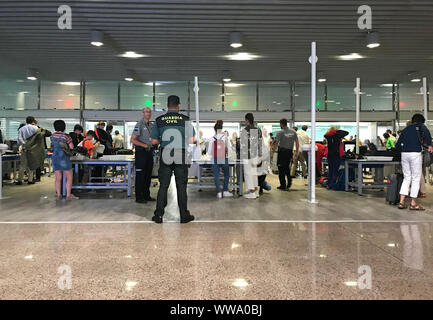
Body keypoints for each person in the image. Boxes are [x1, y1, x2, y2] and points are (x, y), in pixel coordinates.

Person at [150, 95, 196, 223]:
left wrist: (162, 139)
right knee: (181, 186)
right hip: (180, 154)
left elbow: (153, 141)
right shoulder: (185, 120)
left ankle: (158, 215)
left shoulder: (159, 120)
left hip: (166, 153)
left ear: (167, 105)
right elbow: (192, 140)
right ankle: (184, 215)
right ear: (178, 106)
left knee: (163, 185)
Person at [396, 113, 433, 210]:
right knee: (416, 178)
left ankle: (401, 202)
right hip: (415, 154)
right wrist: (430, 146)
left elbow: (398, 145)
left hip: (404, 154)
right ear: (422, 121)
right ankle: (413, 203)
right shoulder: (421, 126)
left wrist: (404, 150)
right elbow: (428, 136)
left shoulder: (406, 129)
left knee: (406, 177)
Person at [131, 107, 155, 204]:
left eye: (149, 112)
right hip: (141, 152)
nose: (148, 114)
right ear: (143, 113)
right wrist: (145, 145)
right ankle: (139, 197)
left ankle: (146, 195)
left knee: (148, 175)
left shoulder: (151, 125)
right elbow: (133, 140)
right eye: (146, 112)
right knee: (140, 175)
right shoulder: (139, 125)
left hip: (149, 152)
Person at [51, 120, 78, 200]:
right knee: (69, 177)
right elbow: (71, 147)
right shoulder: (66, 136)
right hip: (64, 158)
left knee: (58, 178)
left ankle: (59, 195)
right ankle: (68, 195)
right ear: (64, 127)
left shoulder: (52, 136)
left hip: (55, 158)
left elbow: (52, 147)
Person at [207, 120, 233, 199]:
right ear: (221, 129)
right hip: (223, 158)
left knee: (216, 175)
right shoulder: (225, 138)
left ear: (214, 130)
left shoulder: (212, 139)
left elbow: (209, 152)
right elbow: (229, 149)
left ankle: (219, 192)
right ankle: (225, 191)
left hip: (215, 158)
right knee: (226, 174)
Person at [240, 113, 262, 199]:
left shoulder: (245, 130)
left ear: (247, 120)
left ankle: (251, 192)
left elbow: (243, 145)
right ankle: (256, 191)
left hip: (247, 155)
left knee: (248, 173)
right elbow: (260, 143)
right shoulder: (258, 130)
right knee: (254, 173)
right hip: (255, 155)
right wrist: (260, 155)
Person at [273, 118, 299, 191]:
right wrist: (296, 152)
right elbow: (297, 143)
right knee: (287, 167)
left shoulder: (280, 132)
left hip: (282, 152)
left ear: (281, 124)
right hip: (289, 152)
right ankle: (289, 182)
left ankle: (283, 185)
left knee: (281, 168)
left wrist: (272, 153)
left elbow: (276, 143)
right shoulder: (293, 132)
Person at [16, 116, 38, 185]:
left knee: (22, 165)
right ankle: (30, 180)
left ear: (26, 121)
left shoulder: (21, 129)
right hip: (32, 149)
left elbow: (19, 139)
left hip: (24, 149)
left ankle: (20, 180)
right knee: (31, 165)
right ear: (33, 121)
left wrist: (25, 144)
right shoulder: (36, 128)